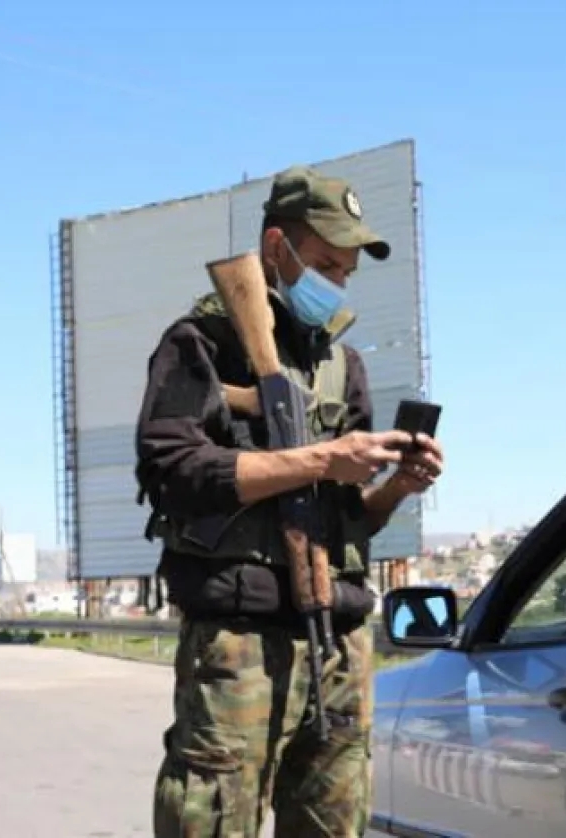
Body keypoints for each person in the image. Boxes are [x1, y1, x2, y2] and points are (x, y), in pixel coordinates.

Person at [135, 164, 445, 837]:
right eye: (325, 263)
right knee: (213, 818)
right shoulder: (203, 343)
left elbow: (350, 519)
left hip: (337, 642)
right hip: (238, 643)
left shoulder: (343, 366)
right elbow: (170, 467)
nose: (335, 283)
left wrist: (396, 485)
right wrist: (316, 459)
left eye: (346, 272)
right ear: (276, 248)